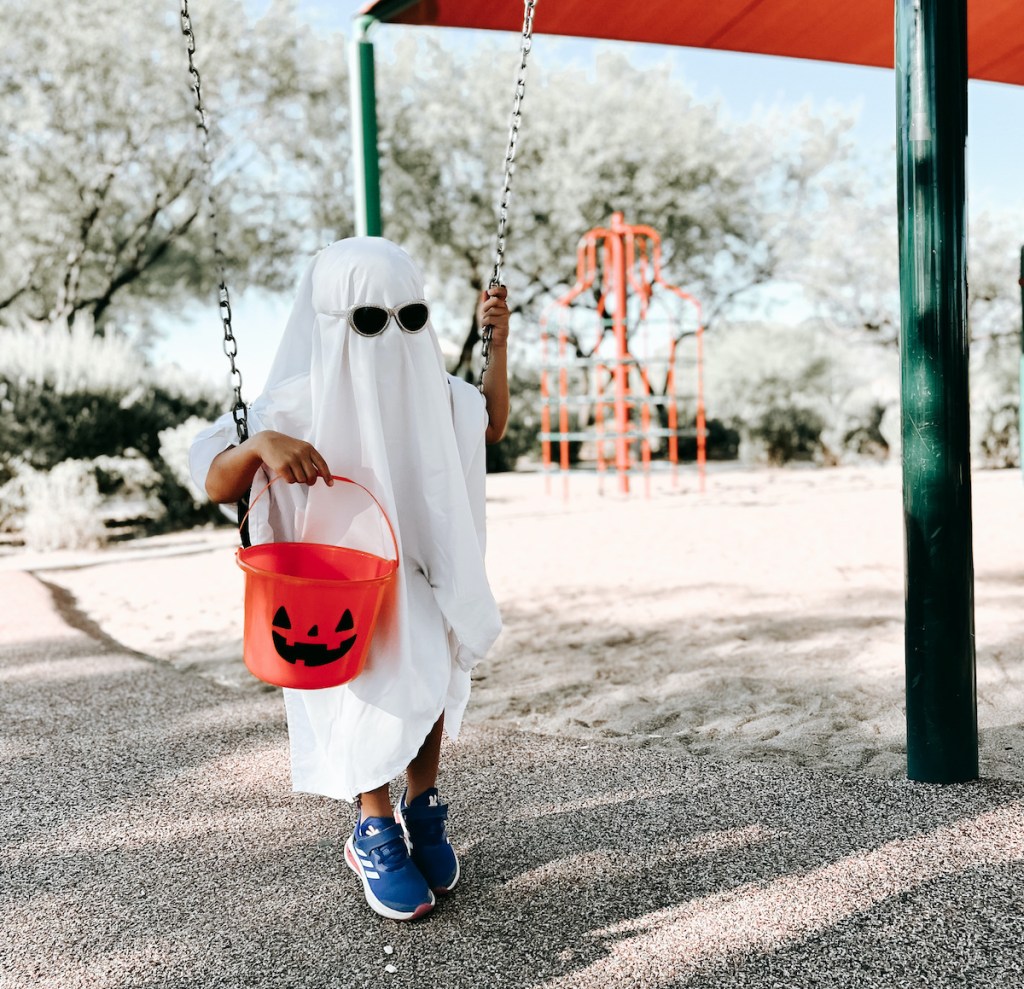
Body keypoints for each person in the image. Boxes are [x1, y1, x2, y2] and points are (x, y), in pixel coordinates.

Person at [189, 237, 509, 921]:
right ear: (334, 320)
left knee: (428, 681)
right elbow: (214, 480)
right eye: (370, 320)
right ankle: (373, 828)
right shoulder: (296, 403)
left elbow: (492, 422)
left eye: (411, 317)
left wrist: (498, 346)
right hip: (338, 589)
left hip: (422, 570)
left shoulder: (438, 393)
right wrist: (257, 445)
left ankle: (421, 808)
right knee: (362, 698)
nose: (392, 335)